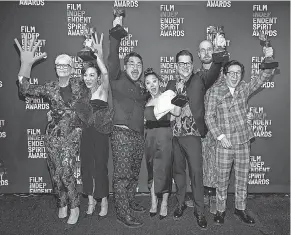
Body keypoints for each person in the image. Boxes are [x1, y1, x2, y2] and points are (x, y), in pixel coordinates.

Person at [15, 35, 89, 225]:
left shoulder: (80, 85)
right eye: (58, 65)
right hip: (52, 135)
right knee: (55, 172)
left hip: (72, 134)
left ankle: (74, 206)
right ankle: (61, 202)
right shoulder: (49, 87)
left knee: (66, 172)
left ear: (72, 68)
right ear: (55, 69)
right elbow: (24, 90)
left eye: (66, 65)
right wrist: (26, 64)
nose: (62, 68)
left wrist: (89, 51)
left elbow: (93, 73)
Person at [205, 46, 275, 225]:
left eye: (238, 73)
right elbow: (209, 117)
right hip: (224, 144)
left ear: (241, 75)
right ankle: (220, 210)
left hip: (243, 142)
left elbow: (263, 77)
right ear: (225, 74)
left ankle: (240, 209)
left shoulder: (244, 88)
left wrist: (269, 57)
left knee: (242, 179)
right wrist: (220, 137)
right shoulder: (215, 91)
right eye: (231, 73)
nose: (235, 76)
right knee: (222, 180)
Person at [185, 40, 254, 215]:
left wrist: (245, 113)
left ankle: (216, 199)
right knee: (204, 163)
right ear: (198, 54)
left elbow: (237, 94)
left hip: (222, 125)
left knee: (219, 167)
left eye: (210, 49)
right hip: (201, 126)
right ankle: (204, 196)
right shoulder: (195, 76)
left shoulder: (223, 73)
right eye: (203, 50)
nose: (207, 53)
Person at [166, 34, 227, 230]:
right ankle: (181, 202)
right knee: (179, 173)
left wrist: (218, 50)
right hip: (175, 136)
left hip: (193, 135)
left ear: (193, 64)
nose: (184, 66)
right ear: (176, 65)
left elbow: (216, 68)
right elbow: (165, 111)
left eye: (188, 63)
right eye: (181, 63)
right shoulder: (169, 85)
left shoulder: (200, 78)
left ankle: (199, 211)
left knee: (196, 174)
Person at [108, 16, 148, 228]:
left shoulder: (143, 87)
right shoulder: (117, 77)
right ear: (125, 66)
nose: (135, 66)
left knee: (133, 172)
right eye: (131, 63)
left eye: (138, 64)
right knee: (122, 175)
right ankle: (123, 213)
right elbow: (113, 57)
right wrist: (116, 32)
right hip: (122, 134)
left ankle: (130, 201)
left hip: (138, 135)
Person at [78, 33, 113, 218]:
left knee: (100, 166)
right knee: (86, 167)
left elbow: (106, 72)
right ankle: (90, 200)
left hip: (100, 134)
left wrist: (94, 52)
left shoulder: (102, 89)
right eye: (85, 75)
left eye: (92, 75)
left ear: (98, 77)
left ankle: (104, 200)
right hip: (86, 133)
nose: (88, 78)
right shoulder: (82, 92)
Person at [143, 68, 181, 220]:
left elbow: (177, 113)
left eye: (154, 81)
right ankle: (153, 202)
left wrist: (179, 94)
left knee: (164, 170)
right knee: (152, 169)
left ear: (159, 82)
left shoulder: (167, 97)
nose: (152, 85)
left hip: (165, 137)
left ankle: (164, 203)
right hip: (149, 138)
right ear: (145, 86)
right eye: (148, 83)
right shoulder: (144, 101)